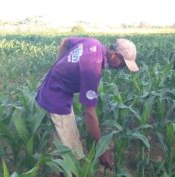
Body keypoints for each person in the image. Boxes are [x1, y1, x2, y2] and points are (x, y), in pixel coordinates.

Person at [35, 37, 139, 170]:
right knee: (71, 156)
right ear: (115, 55)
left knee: (71, 145)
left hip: (58, 91)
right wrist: (101, 149)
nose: (121, 67)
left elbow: (64, 41)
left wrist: (59, 65)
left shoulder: (92, 43)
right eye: (122, 64)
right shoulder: (93, 70)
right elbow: (90, 113)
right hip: (55, 98)